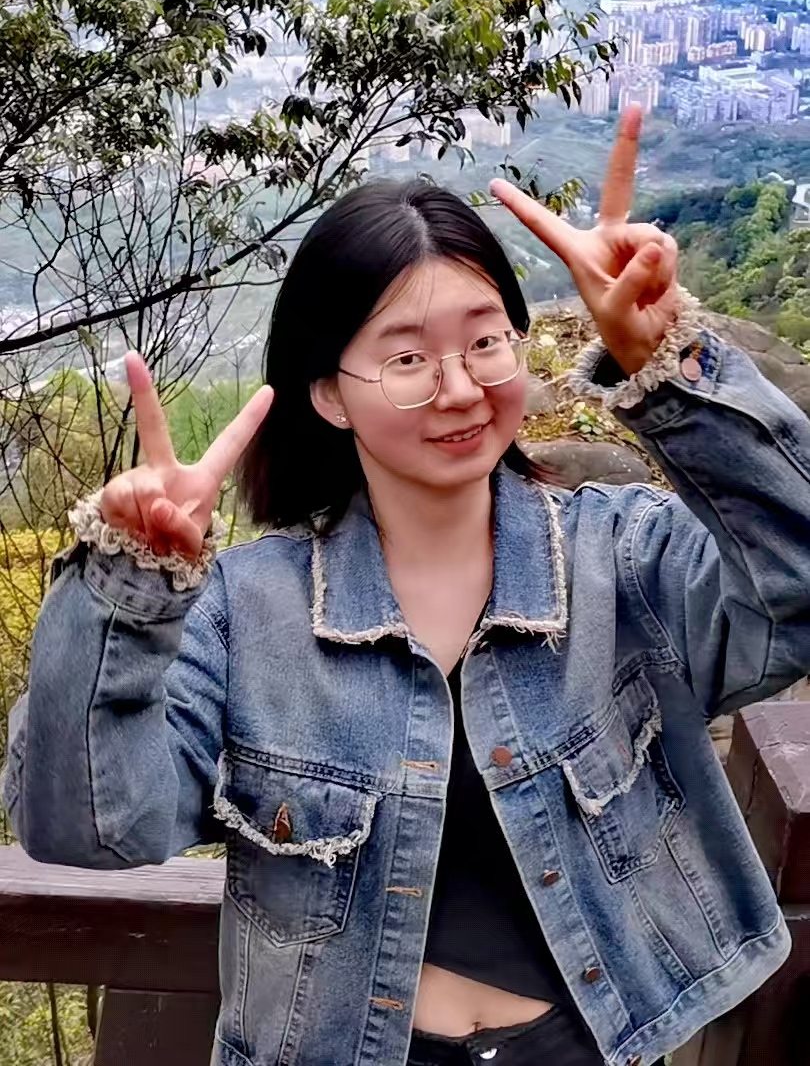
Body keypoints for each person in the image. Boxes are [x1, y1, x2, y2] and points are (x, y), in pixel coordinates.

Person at [3, 105, 810, 1066]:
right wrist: (124, 585)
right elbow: (90, 826)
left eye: (486, 341)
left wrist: (668, 362)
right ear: (329, 393)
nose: (460, 387)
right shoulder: (244, 615)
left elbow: (796, 594)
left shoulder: (623, 559)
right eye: (406, 359)